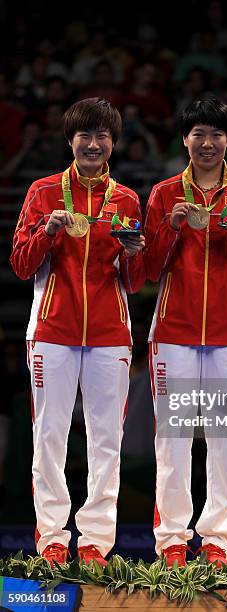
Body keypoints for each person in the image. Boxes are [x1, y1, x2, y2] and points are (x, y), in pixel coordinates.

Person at [10, 97, 145, 567]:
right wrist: (46, 232)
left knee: (107, 438)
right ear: (71, 141)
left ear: (113, 143)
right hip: (52, 330)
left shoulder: (126, 199)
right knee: (50, 434)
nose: (93, 144)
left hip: (110, 333)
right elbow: (21, 264)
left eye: (102, 136)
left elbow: (137, 280)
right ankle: (51, 536)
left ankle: (93, 542)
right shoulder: (43, 192)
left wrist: (133, 254)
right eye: (85, 136)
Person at [144, 98, 227, 568]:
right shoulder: (163, 193)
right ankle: (172, 539)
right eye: (198, 134)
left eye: (216, 134)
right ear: (184, 140)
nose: (208, 143)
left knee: (224, 436)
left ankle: (217, 540)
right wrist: (171, 229)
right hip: (173, 329)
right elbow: (148, 268)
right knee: (172, 437)